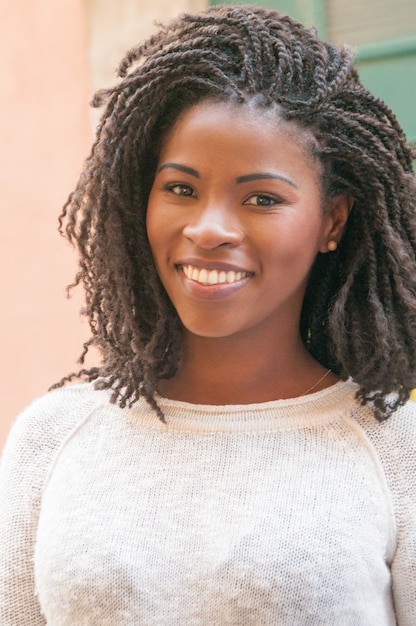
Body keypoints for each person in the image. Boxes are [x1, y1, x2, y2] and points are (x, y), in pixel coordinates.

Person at [1, 4, 415, 624]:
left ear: (332, 220)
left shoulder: (394, 450)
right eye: (181, 189)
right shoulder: (53, 438)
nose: (209, 228)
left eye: (262, 198)